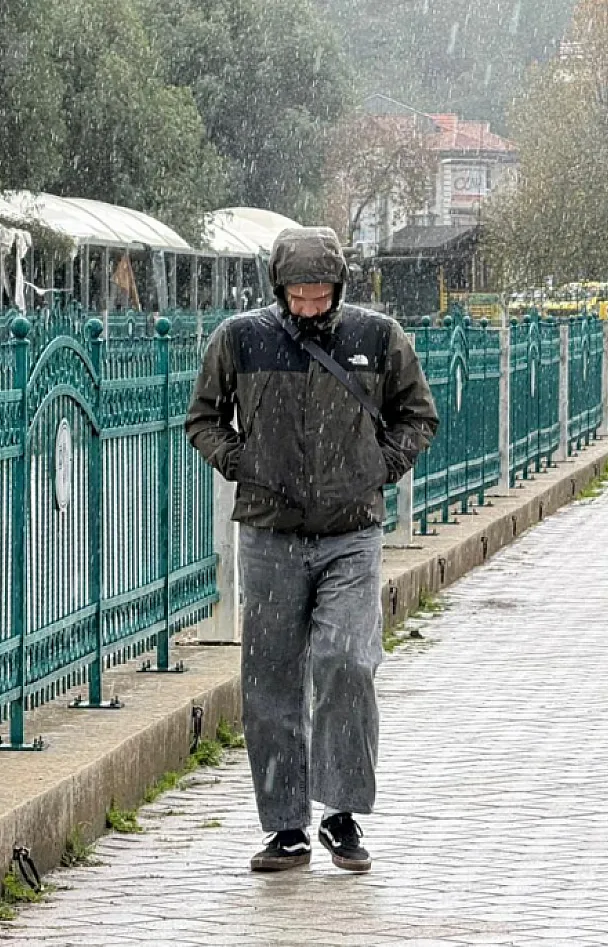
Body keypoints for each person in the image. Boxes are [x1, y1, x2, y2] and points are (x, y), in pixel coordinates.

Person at [185, 228, 439, 874]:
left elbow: (419, 414)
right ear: (278, 290)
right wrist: (239, 461)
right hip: (268, 531)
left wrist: (379, 466)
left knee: (347, 659)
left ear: (339, 289)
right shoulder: (240, 339)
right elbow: (203, 418)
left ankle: (342, 811)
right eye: (297, 295)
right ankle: (286, 825)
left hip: (350, 532)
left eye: (320, 294)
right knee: (269, 675)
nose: (308, 305)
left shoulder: (378, 338)